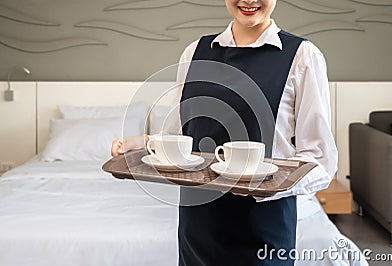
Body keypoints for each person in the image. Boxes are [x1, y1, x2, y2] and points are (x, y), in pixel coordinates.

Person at [111, 0, 338, 265]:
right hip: (198, 226)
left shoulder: (302, 56)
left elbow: (320, 160)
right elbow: (181, 136)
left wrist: (268, 188)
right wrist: (142, 143)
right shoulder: (194, 51)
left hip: (263, 227)